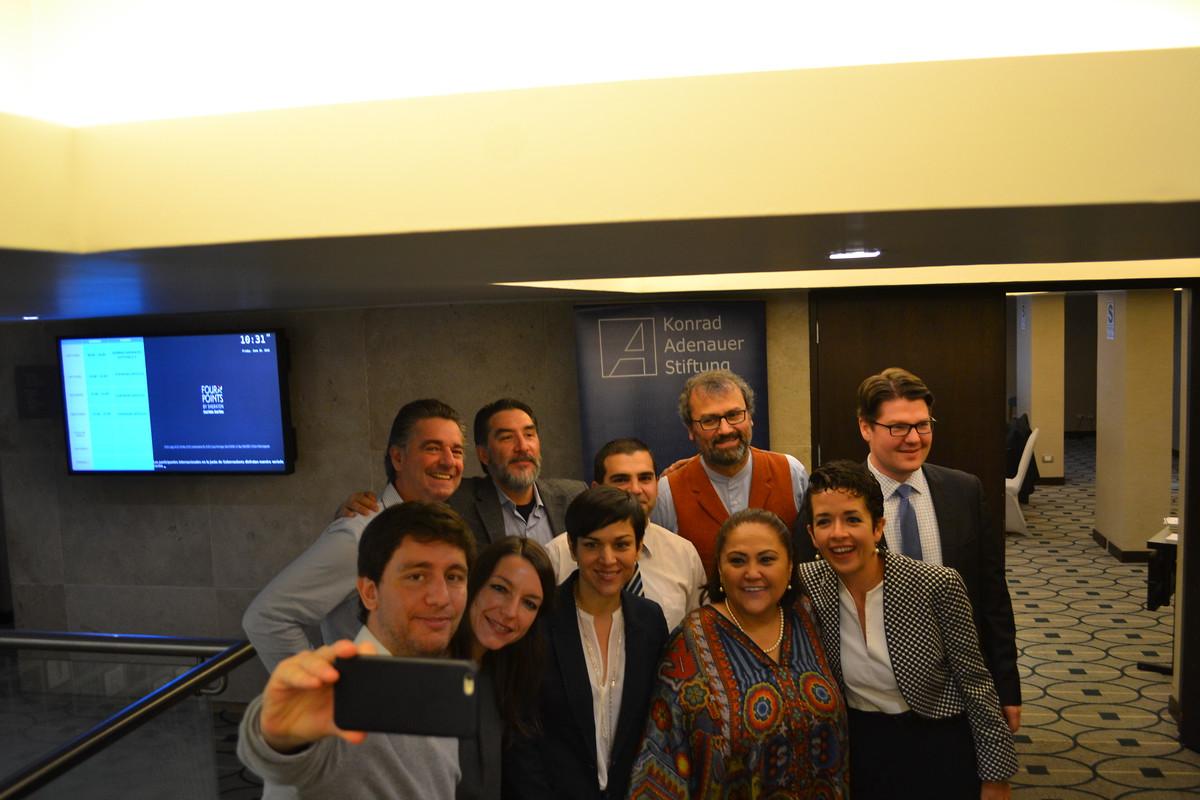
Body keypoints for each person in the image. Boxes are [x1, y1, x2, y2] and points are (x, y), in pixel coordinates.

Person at [797, 460, 1018, 799]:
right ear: (812, 534)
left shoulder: (936, 584)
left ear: (877, 527)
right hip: (858, 745)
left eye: (853, 519)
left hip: (937, 738)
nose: (838, 534)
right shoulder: (807, 583)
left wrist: (996, 776)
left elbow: (975, 683)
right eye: (825, 522)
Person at [237, 501, 475, 798]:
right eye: (416, 576)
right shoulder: (339, 696)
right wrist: (280, 742)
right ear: (369, 592)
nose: (441, 597)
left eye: (454, 577)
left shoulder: (436, 685)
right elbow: (292, 760)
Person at [627, 508, 848, 799]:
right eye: (737, 561)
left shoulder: (807, 618)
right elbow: (661, 759)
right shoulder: (691, 643)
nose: (752, 573)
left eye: (767, 559)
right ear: (720, 569)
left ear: (789, 566)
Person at [844, 367, 1021, 730]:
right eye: (898, 427)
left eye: (922, 425)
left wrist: (1006, 687)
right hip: (869, 701)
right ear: (865, 427)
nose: (914, 438)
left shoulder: (964, 491)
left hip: (956, 689)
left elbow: (992, 598)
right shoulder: (838, 503)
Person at [243, 398, 467, 671]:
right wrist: (324, 688)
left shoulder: (445, 529)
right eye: (432, 448)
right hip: (373, 693)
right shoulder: (358, 535)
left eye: (456, 451)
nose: (448, 461)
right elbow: (267, 617)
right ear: (398, 458)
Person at [505, 486, 669, 800]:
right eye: (592, 545)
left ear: (638, 548)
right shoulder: (539, 619)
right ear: (572, 547)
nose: (608, 559)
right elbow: (520, 731)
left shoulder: (650, 621)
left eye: (621, 545)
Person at [342, 398, 587, 547]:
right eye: (506, 437)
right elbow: (407, 494)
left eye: (529, 434)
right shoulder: (455, 498)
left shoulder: (576, 496)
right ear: (483, 454)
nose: (523, 447)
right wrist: (351, 510)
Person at [653, 369, 808, 576]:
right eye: (709, 420)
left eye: (734, 415)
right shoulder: (668, 492)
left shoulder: (791, 472)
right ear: (690, 430)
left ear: (750, 417)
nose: (725, 430)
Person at [544, 438, 705, 630]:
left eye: (645, 478)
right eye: (621, 480)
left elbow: (700, 632)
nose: (635, 489)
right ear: (597, 489)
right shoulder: (558, 554)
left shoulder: (683, 553)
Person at [453, 536, 557, 800]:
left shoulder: (508, 675)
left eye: (529, 603)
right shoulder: (430, 668)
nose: (511, 612)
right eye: (500, 588)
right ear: (474, 582)